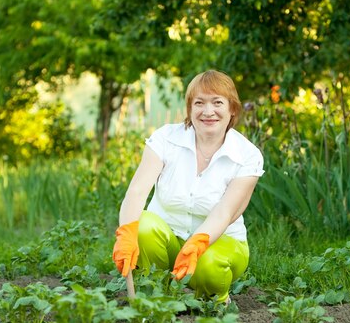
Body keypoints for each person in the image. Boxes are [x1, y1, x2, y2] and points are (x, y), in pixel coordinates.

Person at [112, 69, 264, 303]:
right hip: (167, 240)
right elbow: (137, 190)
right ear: (190, 109)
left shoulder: (247, 155)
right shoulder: (165, 139)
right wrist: (127, 232)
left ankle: (213, 299)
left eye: (217, 102)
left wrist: (198, 242)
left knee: (209, 266)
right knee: (141, 225)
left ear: (232, 108)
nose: (208, 111)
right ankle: (155, 294)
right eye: (199, 103)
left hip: (219, 243)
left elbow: (225, 211)